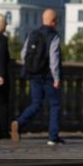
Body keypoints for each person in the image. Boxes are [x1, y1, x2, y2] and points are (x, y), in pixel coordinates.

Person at [11, 8, 64, 145]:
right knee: (55, 104)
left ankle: (18, 122)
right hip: (47, 76)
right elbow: (54, 59)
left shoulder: (33, 34)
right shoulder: (54, 36)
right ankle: (53, 137)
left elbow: (24, 54)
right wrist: (57, 78)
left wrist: (33, 67)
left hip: (34, 74)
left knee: (35, 103)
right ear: (53, 22)